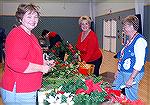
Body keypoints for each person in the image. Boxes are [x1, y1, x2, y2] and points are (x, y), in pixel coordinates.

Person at [0, 4, 55, 105]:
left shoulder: (31, 35)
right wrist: (41, 68)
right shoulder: (18, 34)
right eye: (29, 16)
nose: (33, 20)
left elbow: (30, 57)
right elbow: (15, 63)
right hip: (19, 91)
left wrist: (44, 63)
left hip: (27, 88)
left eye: (35, 17)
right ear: (20, 18)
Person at [112, 15, 148, 100]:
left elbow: (140, 62)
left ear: (132, 26)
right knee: (114, 89)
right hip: (123, 71)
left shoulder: (139, 41)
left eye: (125, 26)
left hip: (132, 73)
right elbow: (123, 56)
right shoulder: (130, 39)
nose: (123, 28)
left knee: (130, 96)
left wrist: (132, 78)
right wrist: (118, 70)